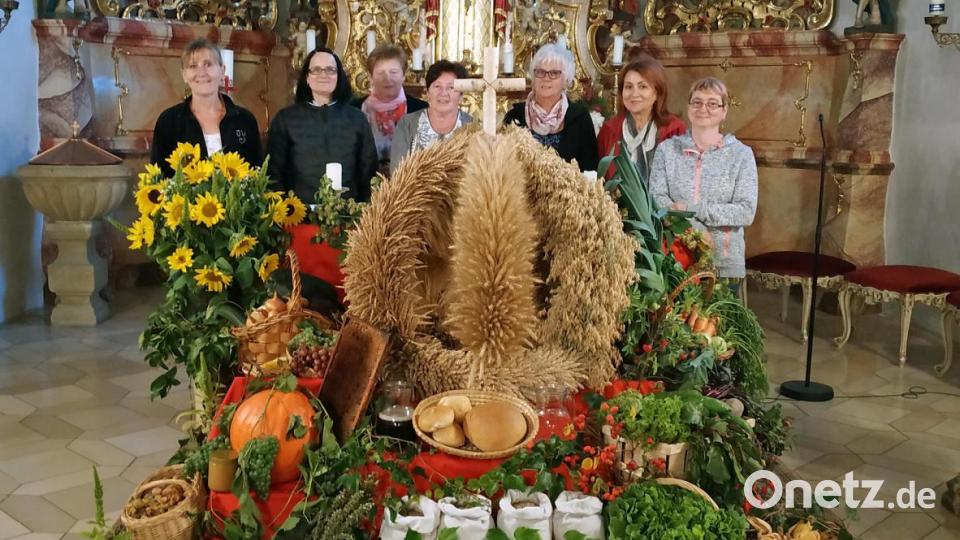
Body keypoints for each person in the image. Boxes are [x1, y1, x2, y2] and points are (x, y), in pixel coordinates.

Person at [649, 77, 758, 279]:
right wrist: (691, 228)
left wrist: (693, 210)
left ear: (724, 111)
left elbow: (746, 211)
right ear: (689, 107)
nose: (703, 108)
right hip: (675, 258)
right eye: (697, 102)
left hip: (723, 262)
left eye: (712, 103)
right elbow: (656, 197)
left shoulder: (741, 154)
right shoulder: (667, 150)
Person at [267, 47, 378, 203]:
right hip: (299, 215)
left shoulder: (357, 119)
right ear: (307, 77)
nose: (323, 75)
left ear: (338, 76)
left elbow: (369, 171)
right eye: (317, 70)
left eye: (330, 70)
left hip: (349, 215)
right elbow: (274, 172)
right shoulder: (286, 119)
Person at [151, 39, 261, 176]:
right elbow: (158, 178)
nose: (201, 72)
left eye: (208, 64)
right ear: (184, 75)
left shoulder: (245, 120)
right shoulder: (168, 122)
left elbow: (257, 174)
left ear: (222, 70)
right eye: (193, 66)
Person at [503, 43, 598, 172]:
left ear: (566, 80)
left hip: (569, 191)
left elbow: (590, 170)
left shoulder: (579, 117)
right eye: (540, 72)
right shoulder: (515, 116)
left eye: (554, 73)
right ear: (533, 77)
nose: (546, 78)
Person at [597, 54, 685, 180]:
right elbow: (599, 180)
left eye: (643, 86)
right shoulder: (609, 131)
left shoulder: (674, 130)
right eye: (628, 87)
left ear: (657, 93)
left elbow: (681, 181)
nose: (634, 94)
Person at [389, 60, 473, 175]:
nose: (443, 93)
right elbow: (397, 173)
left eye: (451, 87)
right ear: (427, 92)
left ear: (461, 95)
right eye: (437, 86)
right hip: (414, 192)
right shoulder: (407, 124)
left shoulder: (473, 126)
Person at [354, 44, 428, 173]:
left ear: (404, 75)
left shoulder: (421, 110)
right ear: (370, 77)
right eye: (380, 73)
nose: (387, 78)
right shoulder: (353, 109)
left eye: (393, 72)